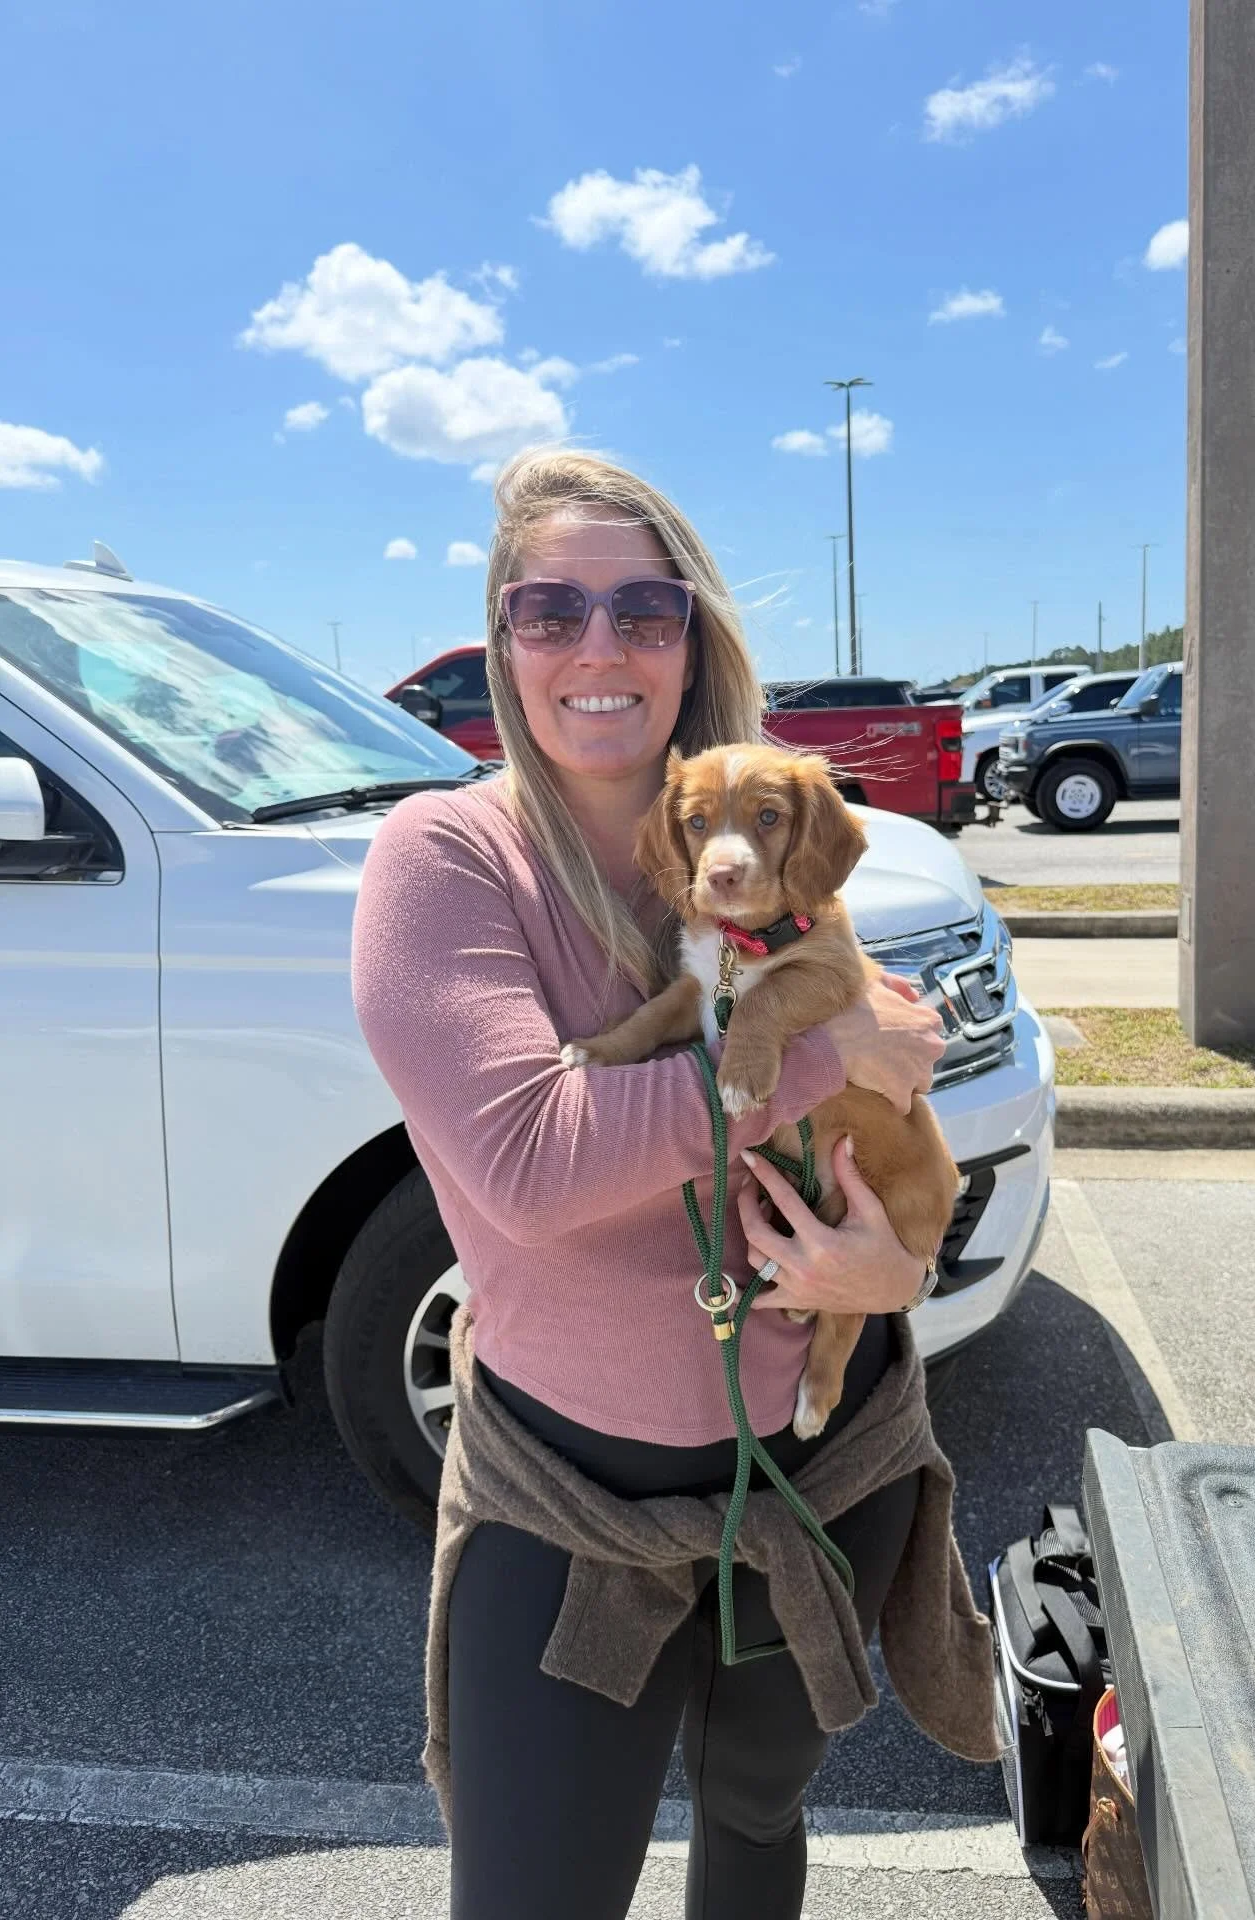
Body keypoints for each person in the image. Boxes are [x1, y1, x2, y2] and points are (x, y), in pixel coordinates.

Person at [351, 450, 954, 1920]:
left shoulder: (767, 834)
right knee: (536, 1892)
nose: (601, 647)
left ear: (697, 643)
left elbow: (904, 1109)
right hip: (574, 1509)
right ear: (502, 644)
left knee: (759, 1827)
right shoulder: (447, 859)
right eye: (550, 610)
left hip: (824, 1475)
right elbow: (536, 1164)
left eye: (646, 608)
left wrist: (894, 1280)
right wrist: (828, 1045)